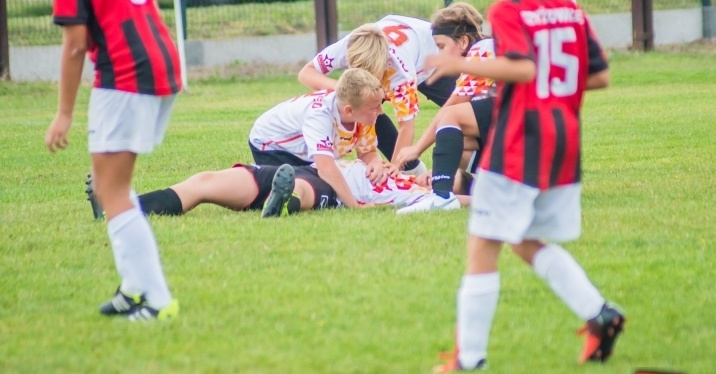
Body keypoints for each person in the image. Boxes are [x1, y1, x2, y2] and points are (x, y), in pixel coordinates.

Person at [423, 0, 624, 373]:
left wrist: (461, 66)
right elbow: (600, 76)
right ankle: (600, 314)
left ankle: (469, 360)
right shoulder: (572, 11)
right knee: (525, 240)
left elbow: (523, 67)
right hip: (563, 141)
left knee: (483, 244)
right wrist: (555, 88)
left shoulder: (509, 10)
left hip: (519, 142)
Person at [24, 0, 183, 321]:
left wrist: (63, 113)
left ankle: (155, 300)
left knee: (110, 190)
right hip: (163, 63)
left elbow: (75, 44)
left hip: (126, 73)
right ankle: (133, 288)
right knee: (112, 182)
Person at [296, 17, 458, 174]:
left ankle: (462, 172)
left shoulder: (400, 74)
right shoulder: (349, 46)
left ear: (385, 64)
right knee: (365, 108)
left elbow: (407, 127)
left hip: (431, 60)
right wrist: (344, 90)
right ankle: (413, 170)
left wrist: (395, 167)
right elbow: (306, 73)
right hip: (404, 47)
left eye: (373, 77)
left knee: (462, 112)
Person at [394, 2, 498, 213]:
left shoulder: (481, 52)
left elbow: (450, 109)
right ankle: (481, 189)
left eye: (441, 46)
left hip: (527, 124)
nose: (440, 54)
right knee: (458, 140)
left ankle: (441, 197)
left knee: (450, 118)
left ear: (462, 42)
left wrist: (416, 149)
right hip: (527, 130)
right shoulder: (485, 50)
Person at [117, 160, 474, 218]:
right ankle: (121, 207)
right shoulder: (406, 168)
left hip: (329, 189)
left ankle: (282, 201)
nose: (434, 180)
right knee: (205, 182)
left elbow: (463, 199)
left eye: (445, 183)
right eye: (437, 176)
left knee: (301, 189)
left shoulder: (422, 198)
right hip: (313, 167)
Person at [248, 68, 388, 209]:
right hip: (271, 145)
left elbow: (367, 151)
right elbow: (326, 168)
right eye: (375, 107)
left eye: (380, 104)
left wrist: (375, 163)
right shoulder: (320, 116)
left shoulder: (363, 116)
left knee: (334, 181)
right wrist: (354, 205)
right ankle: (265, 191)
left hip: (299, 149)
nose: (381, 112)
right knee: (321, 186)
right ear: (349, 111)